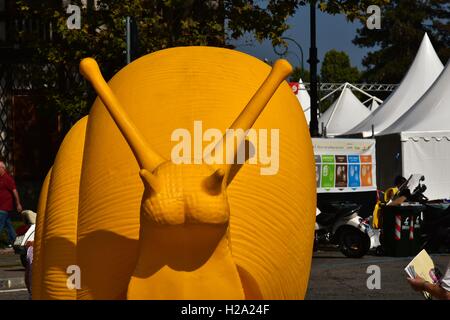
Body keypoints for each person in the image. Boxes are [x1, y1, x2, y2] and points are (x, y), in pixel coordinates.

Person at [0, 160, 22, 248]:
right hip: (1, 206)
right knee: (8, 226)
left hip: (5, 207)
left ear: (2, 168)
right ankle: (17, 242)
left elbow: (14, 191)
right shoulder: (0, 178)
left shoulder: (8, 178)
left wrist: (18, 204)